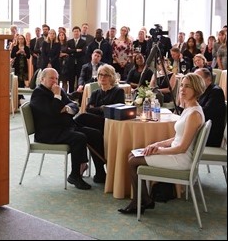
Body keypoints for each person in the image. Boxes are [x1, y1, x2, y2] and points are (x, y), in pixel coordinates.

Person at [118, 73, 205, 214]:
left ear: (196, 89)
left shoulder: (194, 114)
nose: (182, 89)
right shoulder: (189, 109)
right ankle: (143, 200)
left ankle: (139, 201)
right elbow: (177, 138)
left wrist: (158, 150)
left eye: (187, 86)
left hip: (180, 159)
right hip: (176, 154)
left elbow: (182, 147)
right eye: (182, 85)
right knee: (132, 155)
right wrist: (157, 144)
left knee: (133, 160)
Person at [29, 68, 105, 189]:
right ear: (42, 79)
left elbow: (73, 105)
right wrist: (57, 96)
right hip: (48, 133)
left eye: (56, 78)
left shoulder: (57, 90)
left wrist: (67, 109)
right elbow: (54, 111)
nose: (55, 81)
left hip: (64, 127)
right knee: (79, 138)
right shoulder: (38, 93)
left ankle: (100, 172)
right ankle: (75, 175)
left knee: (94, 134)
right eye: (51, 78)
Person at [74, 64, 124, 183]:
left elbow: (116, 110)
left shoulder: (118, 91)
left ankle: (69, 128)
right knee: (91, 135)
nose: (103, 77)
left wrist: (98, 108)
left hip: (110, 124)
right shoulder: (96, 92)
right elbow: (88, 108)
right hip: (96, 126)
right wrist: (102, 108)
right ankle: (100, 171)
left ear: (111, 76)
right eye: (100, 74)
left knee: (81, 117)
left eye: (106, 75)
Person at [195, 68, 226, 147]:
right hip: (200, 129)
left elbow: (206, 113)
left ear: (208, 79)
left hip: (208, 135)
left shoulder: (216, 92)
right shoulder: (202, 91)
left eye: (197, 78)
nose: (194, 81)